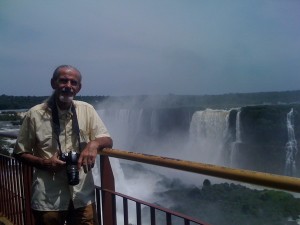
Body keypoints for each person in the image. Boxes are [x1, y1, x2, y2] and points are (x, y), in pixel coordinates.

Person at [13, 65, 113, 225]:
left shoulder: (87, 110)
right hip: (48, 198)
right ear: (53, 83)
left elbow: (107, 139)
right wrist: (44, 163)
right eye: (63, 81)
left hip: (82, 195)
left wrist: (94, 143)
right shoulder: (35, 114)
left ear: (78, 88)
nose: (68, 86)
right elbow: (19, 152)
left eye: (73, 82)